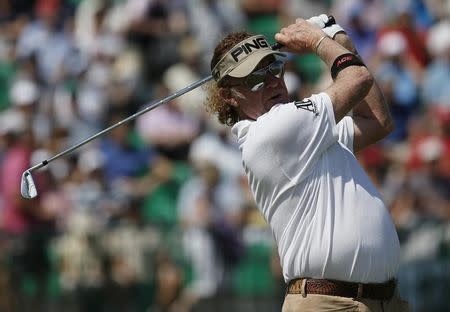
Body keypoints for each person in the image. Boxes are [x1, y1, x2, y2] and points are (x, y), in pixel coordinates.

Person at [205, 14, 409, 312]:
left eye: (274, 67)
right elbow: (357, 79)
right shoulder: (272, 129)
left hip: (383, 302)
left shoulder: (302, 130)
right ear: (229, 96)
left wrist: (340, 39)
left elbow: (377, 121)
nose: (272, 81)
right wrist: (318, 40)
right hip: (328, 304)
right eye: (255, 78)